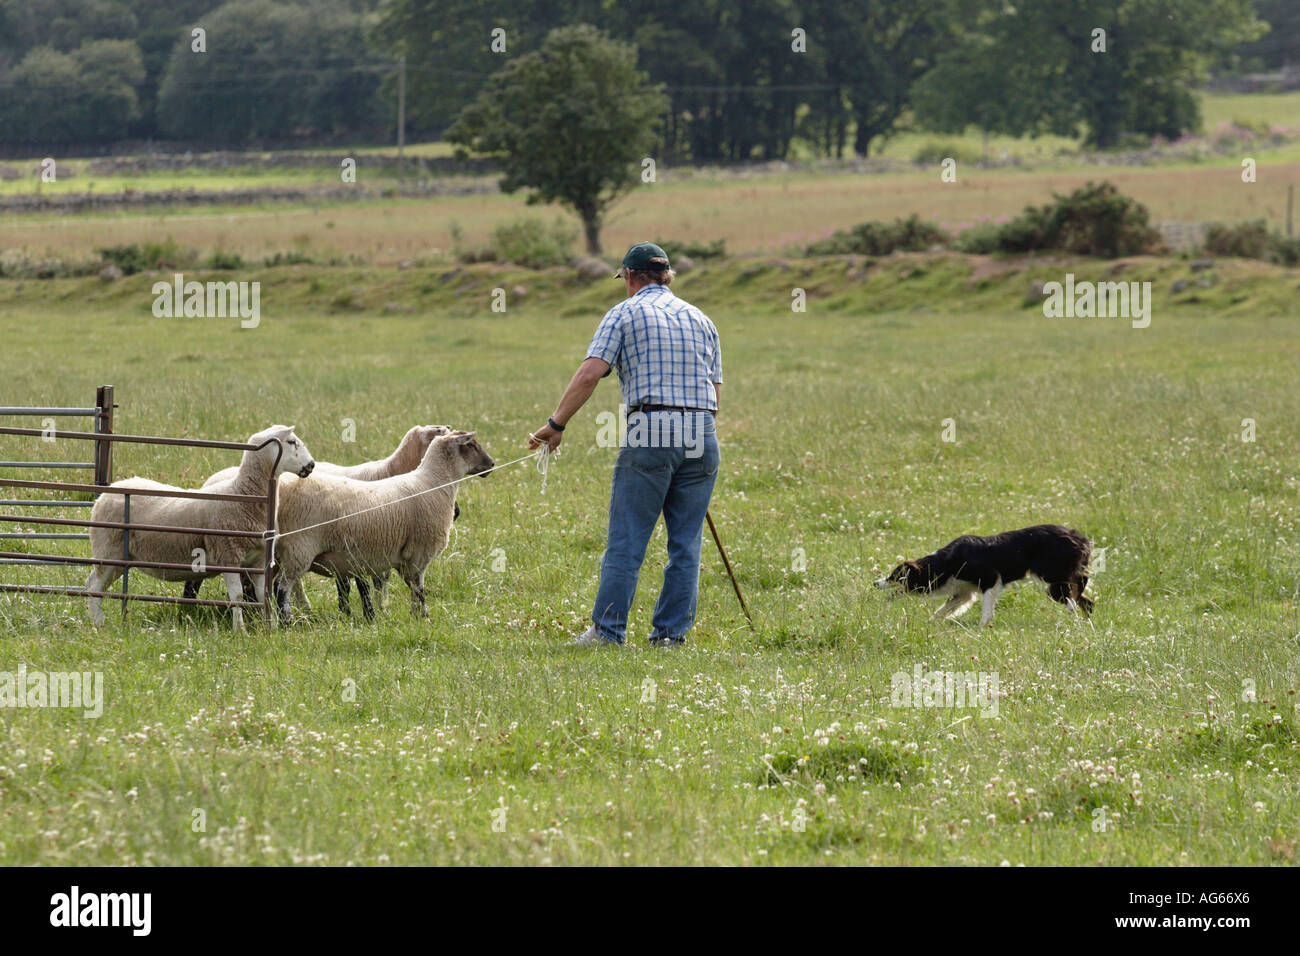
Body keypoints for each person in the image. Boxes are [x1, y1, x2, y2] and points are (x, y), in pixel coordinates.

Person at [529, 241, 723, 647]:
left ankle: (607, 631)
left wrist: (556, 423)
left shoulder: (625, 312)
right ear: (666, 276)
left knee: (628, 539)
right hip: (702, 432)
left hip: (653, 426)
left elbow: (590, 374)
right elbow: (715, 393)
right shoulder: (702, 318)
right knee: (685, 547)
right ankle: (670, 637)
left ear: (631, 277)